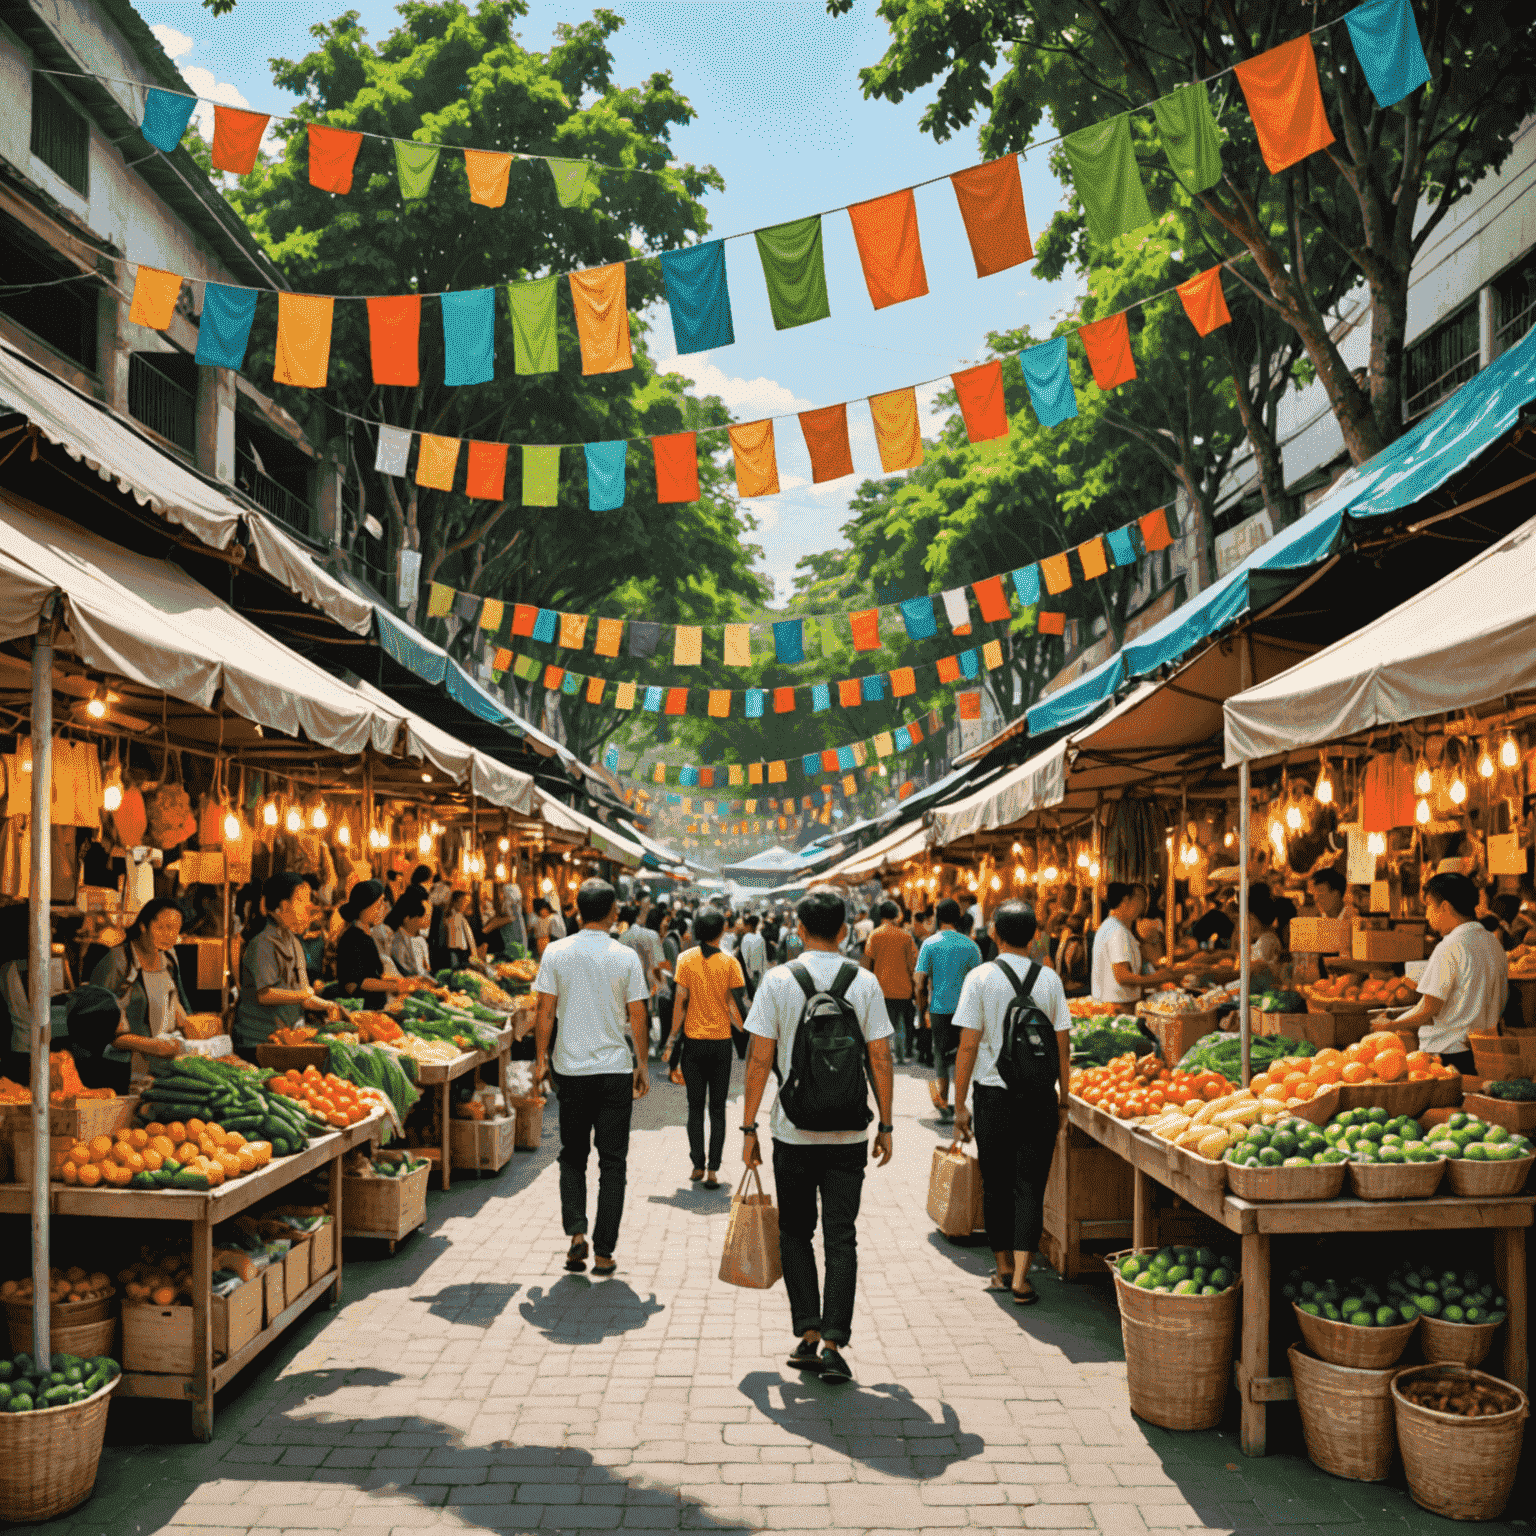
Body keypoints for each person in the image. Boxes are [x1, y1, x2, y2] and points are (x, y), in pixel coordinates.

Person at [740, 887, 894, 1386]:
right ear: (846, 931)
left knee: (795, 1232)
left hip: (792, 1130)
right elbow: (880, 1058)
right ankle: (834, 1343)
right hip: (850, 1131)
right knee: (842, 1236)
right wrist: (886, 1123)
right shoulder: (864, 983)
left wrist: (748, 1127)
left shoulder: (778, 980)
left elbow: (759, 1060)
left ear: (799, 930)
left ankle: (806, 1333)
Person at [950, 900, 1072, 1306]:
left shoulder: (980, 978)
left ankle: (1002, 1267)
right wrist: (1064, 1098)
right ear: (1035, 935)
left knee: (997, 1183)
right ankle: (1022, 1277)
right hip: (1039, 1099)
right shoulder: (1050, 980)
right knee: (1029, 1187)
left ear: (995, 935)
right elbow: (1061, 1045)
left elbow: (967, 1046)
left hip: (993, 1098)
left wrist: (960, 1103)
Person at [533, 878, 650, 1277]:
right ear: (614, 912)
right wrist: (643, 1066)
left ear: (577, 910)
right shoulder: (626, 957)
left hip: (572, 1069)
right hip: (615, 1069)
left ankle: (576, 1234)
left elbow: (545, 1011)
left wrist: (539, 1061)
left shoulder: (556, 952)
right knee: (613, 1162)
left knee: (572, 1156)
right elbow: (638, 1016)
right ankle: (604, 1252)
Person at [1394, 872, 1508, 1073]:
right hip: (1484, 1054)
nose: (1427, 915)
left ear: (1445, 907)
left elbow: (1428, 1008)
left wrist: (1388, 1026)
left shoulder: (1450, 946)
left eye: (1429, 906)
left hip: (1447, 1055)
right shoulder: (1493, 943)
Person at [666, 906, 746, 1187]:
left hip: (693, 1046)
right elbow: (734, 1006)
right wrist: (745, 1032)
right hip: (721, 1044)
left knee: (694, 1108)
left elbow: (679, 1002)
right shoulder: (730, 963)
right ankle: (713, 1170)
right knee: (717, 1110)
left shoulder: (685, 959)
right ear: (722, 931)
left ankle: (697, 1166)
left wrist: (670, 1041)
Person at [88, 898, 193, 1088]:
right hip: (120, 1069)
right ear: (143, 925)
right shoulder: (118, 962)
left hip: (164, 1067)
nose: (169, 935)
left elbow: (175, 1001)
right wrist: (151, 1046)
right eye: (162, 928)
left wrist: (188, 1024)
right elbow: (96, 1028)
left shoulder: (169, 958)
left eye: (175, 930)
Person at [235, 874, 336, 1053]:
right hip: (257, 1041)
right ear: (283, 905)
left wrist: (328, 1005)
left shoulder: (293, 941)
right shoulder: (263, 942)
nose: (308, 906)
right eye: (301, 900)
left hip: (284, 1037)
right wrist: (304, 994)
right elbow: (265, 995)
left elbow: (303, 995)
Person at [915, 898, 983, 1119]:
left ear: (937, 916)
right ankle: (962, 1102)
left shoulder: (929, 944)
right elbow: (979, 982)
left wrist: (921, 1008)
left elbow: (920, 982)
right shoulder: (971, 945)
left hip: (939, 1009)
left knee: (940, 1054)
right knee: (966, 1054)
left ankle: (943, 1101)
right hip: (967, 1011)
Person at [1090, 883, 1179, 1004]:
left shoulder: (1111, 926)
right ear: (1126, 900)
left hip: (1113, 1003)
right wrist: (1157, 978)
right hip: (1118, 1006)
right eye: (1140, 900)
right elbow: (1122, 977)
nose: (1143, 906)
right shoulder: (1117, 930)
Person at [333, 880, 414, 999]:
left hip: (375, 1005)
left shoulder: (367, 936)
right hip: (360, 1008)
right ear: (366, 906)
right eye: (379, 903)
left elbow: (376, 974)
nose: (384, 908)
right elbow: (353, 984)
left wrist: (405, 982)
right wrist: (394, 986)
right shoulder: (351, 938)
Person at [862, 901, 918, 1065]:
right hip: (903, 988)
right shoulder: (906, 936)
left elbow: (868, 962)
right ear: (895, 916)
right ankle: (900, 1055)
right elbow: (911, 964)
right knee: (900, 1023)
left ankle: (884, 1054)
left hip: (881, 987)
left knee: (881, 1023)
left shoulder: (875, 935)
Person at [738, 914, 768, 998]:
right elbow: (764, 957)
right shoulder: (760, 938)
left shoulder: (746, 938)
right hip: (759, 972)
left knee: (751, 996)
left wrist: (748, 973)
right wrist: (764, 972)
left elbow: (745, 957)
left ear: (749, 925)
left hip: (749, 972)